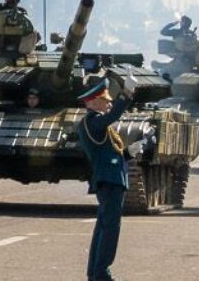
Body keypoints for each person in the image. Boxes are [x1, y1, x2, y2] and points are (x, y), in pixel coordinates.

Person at [76, 76, 131, 281]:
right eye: (105, 99)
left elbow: (110, 152)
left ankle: (95, 271)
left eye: (110, 99)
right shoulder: (93, 121)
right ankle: (102, 272)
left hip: (111, 178)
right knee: (110, 229)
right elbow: (114, 114)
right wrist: (126, 95)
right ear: (92, 102)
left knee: (102, 228)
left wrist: (131, 152)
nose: (109, 103)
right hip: (109, 181)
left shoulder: (96, 123)